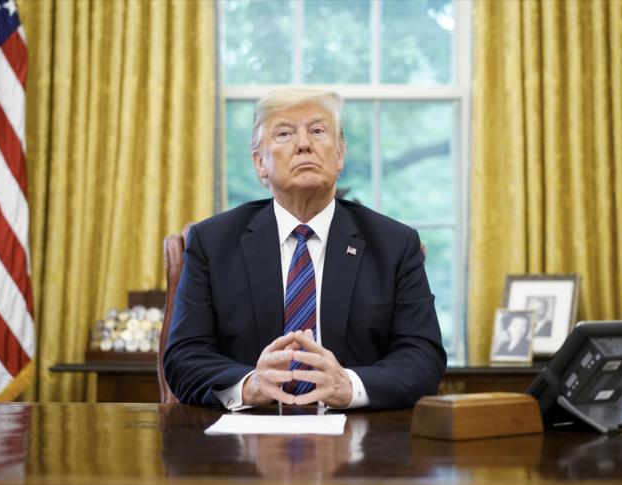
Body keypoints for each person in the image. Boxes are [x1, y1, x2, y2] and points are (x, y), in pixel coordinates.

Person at [164, 88, 446, 411]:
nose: (303, 144)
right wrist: (250, 384)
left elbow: (423, 357)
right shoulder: (213, 243)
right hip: (248, 429)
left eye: (318, 131)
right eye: (284, 133)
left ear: (339, 155)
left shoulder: (394, 245)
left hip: (359, 431)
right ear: (260, 163)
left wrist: (348, 386)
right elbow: (184, 356)